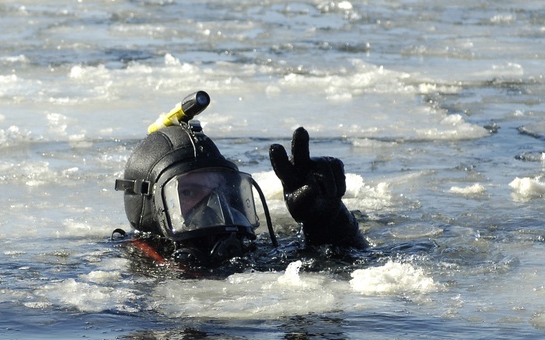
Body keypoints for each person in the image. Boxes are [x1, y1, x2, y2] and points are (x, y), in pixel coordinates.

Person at [113, 91, 367, 267]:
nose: (215, 206)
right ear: (150, 208)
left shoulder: (248, 255)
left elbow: (349, 266)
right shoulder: (126, 274)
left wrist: (329, 221)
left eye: (220, 191)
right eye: (189, 193)